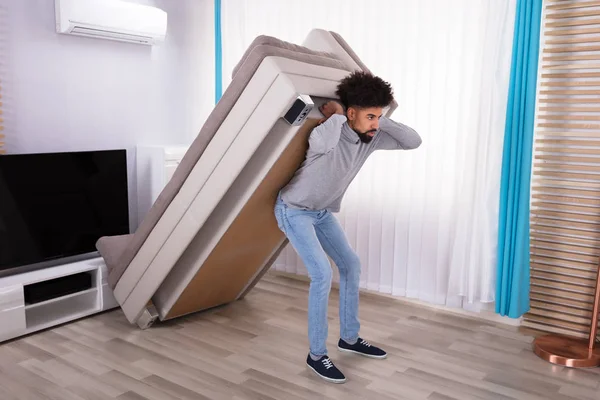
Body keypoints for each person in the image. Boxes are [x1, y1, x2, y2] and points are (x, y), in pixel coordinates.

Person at [274, 70, 422, 383]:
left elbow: (413, 141)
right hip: (294, 210)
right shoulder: (329, 132)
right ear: (351, 113)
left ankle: (350, 338)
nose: (375, 124)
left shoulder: (372, 137)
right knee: (322, 273)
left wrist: (379, 118)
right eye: (370, 116)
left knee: (351, 265)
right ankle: (316, 355)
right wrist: (339, 117)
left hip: (322, 212)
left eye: (378, 117)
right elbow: (322, 140)